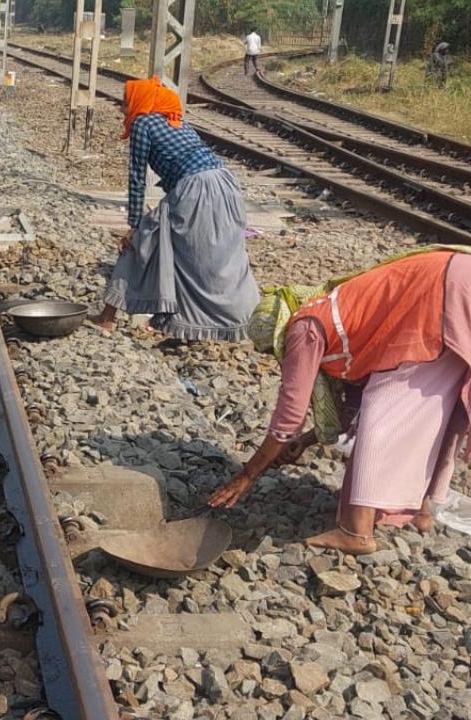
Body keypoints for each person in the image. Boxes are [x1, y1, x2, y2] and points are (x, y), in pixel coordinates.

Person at [211, 249, 471, 555]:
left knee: (383, 411)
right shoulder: (338, 308)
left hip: (442, 291)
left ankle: (357, 532)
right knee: (438, 409)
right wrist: (307, 441)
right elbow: (350, 409)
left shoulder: (304, 327)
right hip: (454, 280)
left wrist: (247, 475)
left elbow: (288, 418)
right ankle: (422, 512)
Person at [92, 77, 258, 340]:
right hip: (225, 184)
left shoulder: (142, 123)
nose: (123, 109)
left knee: (141, 241)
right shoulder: (176, 120)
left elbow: (137, 177)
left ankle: (107, 318)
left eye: (126, 103)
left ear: (140, 102)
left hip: (195, 188)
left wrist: (134, 224)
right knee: (219, 256)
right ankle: (243, 319)